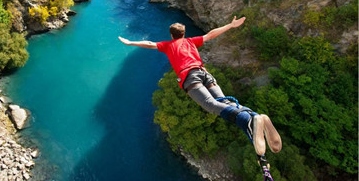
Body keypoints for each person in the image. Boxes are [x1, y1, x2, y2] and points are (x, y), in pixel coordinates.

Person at [118, 16, 281, 156]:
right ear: (184, 33)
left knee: (210, 105)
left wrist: (130, 42)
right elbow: (211, 35)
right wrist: (231, 25)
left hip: (189, 77)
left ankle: (248, 121)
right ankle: (254, 116)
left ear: (171, 35)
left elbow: (150, 43)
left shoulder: (168, 45)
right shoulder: (190, 41)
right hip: (204, 73)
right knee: (224, 102)